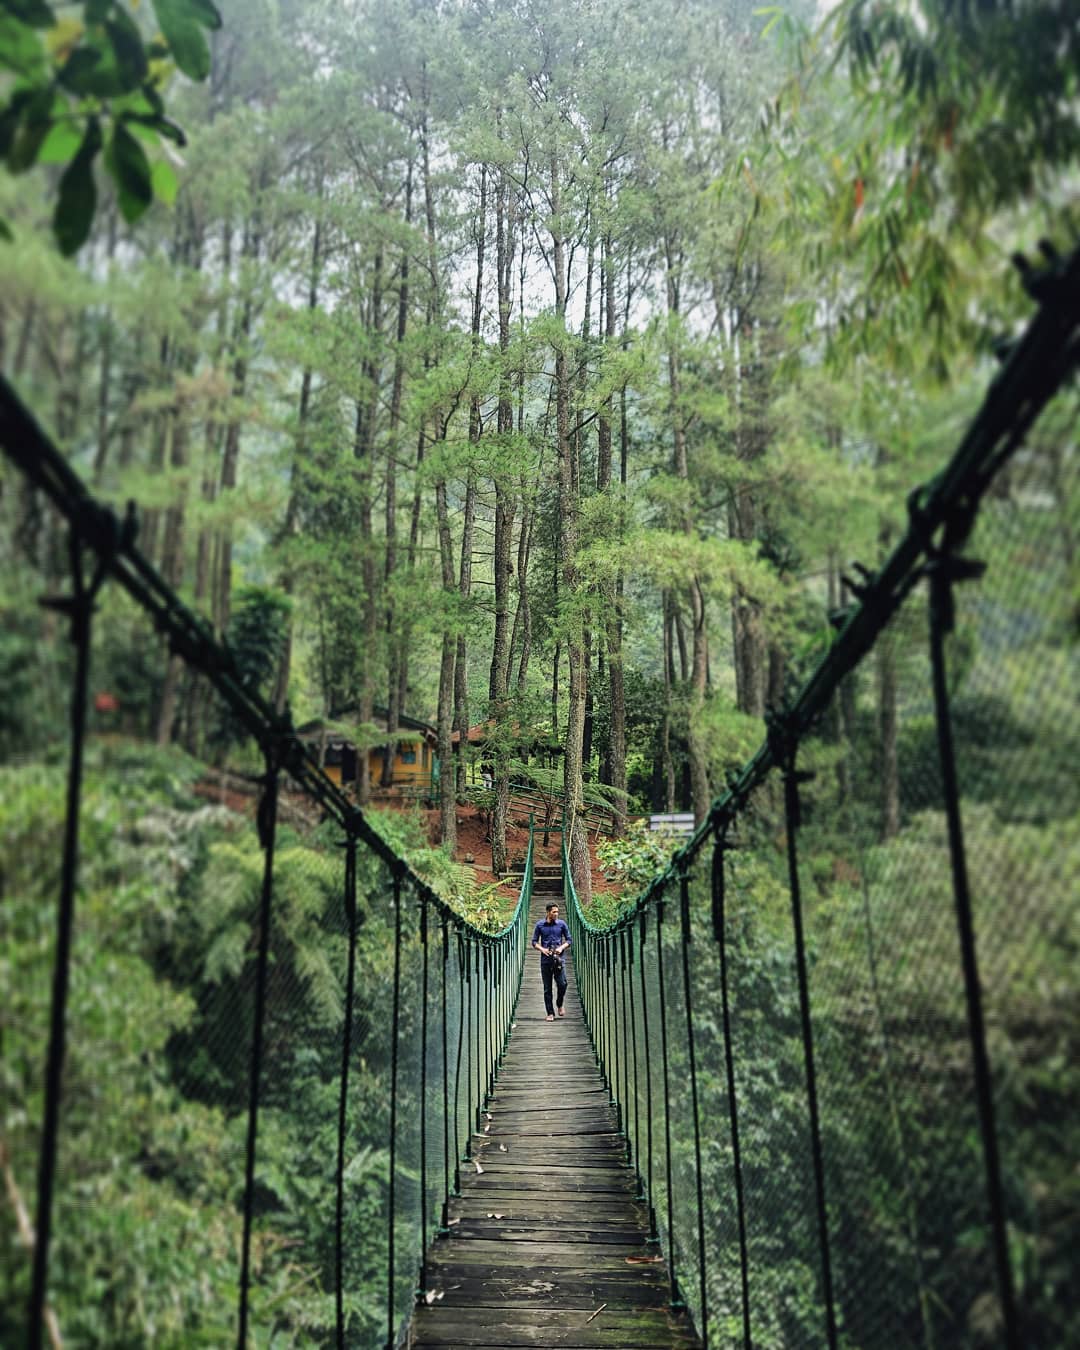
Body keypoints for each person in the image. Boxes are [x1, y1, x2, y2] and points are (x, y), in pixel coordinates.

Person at [531, 902, 571, 1021]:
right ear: (548, 912)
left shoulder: (562, 924)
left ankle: (559, 1003)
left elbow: (569, 940)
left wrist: (561, 948)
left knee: (563, 984)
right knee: (547, 988)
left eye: (557, 912)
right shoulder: (540, 925)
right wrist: (542, 949)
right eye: (554, 912)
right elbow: (534, 942)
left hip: (558, 959)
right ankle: (550, 1013)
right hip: (546, 960)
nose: (556, 914)